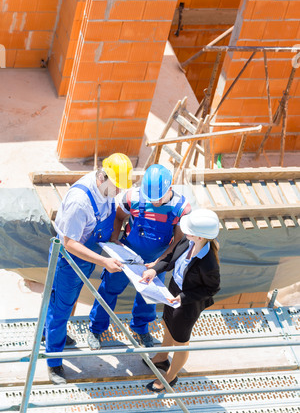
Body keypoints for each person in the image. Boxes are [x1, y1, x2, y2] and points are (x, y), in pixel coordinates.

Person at [45, 153, 133, 385]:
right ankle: (53, 361)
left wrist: (114, 241)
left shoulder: (106, 189)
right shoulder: (80, 202)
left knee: (70, 300)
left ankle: (50, 334)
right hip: (70, 259)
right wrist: (104, 261)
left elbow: (111, 213)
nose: (119, 192)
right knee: (61, 306)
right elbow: (70, 243)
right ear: (103, 178)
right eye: (117, 187)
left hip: (88, 254)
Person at [87, 164, 191, 349]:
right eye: (150, 198)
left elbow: (177, 242)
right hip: (126, 256)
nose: (154, 202)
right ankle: (96, 327)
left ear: (170, 188)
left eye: (158, 198)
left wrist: (158, 265)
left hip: (156, 260)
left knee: (148, 298)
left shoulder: (181, 208)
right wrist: (114, 240)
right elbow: (119, 218)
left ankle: (141, 328)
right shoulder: (132, 198)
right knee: (108, 290)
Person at [140, 208, 221, 392]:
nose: (184, 230)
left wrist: (182, 298)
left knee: (181, 341)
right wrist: (155, 269)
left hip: (188, 303)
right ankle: (161, 357)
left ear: (200, 237)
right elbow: (171, 257)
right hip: (174, 290)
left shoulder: (208, 263)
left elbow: (212, 288)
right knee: (167, 322)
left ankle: (170, 377)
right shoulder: (188, 240)